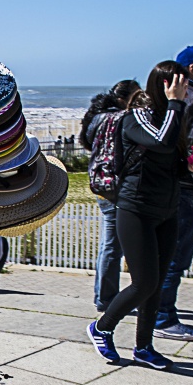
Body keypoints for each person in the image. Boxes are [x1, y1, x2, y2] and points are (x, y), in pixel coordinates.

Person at [86, 61, 191, 370]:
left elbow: (171, 161)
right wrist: (175, 104)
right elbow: (161, 142)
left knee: (155, 285)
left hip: (166, 210)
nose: (184, 91)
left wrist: (192, 168)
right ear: (163, 85)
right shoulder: (137, 118)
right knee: (143, 283)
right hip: (136, 209)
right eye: (178, 85)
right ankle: (101, 327)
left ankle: (144, 347)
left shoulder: (174, 117)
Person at [154, 45, 193, 341]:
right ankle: (163, 318)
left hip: (167, 185)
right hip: (189, 188)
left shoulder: (167, 98)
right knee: (177, 256)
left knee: (164, 253)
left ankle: (158, 312)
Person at [79, 80, 142, 314]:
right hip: (118, 187)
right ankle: (107, 299)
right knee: (113, 246)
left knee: (111, 245)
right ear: (126, 98)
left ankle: (105, 296)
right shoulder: (121, 119)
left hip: (101, 185)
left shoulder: (96, 118)